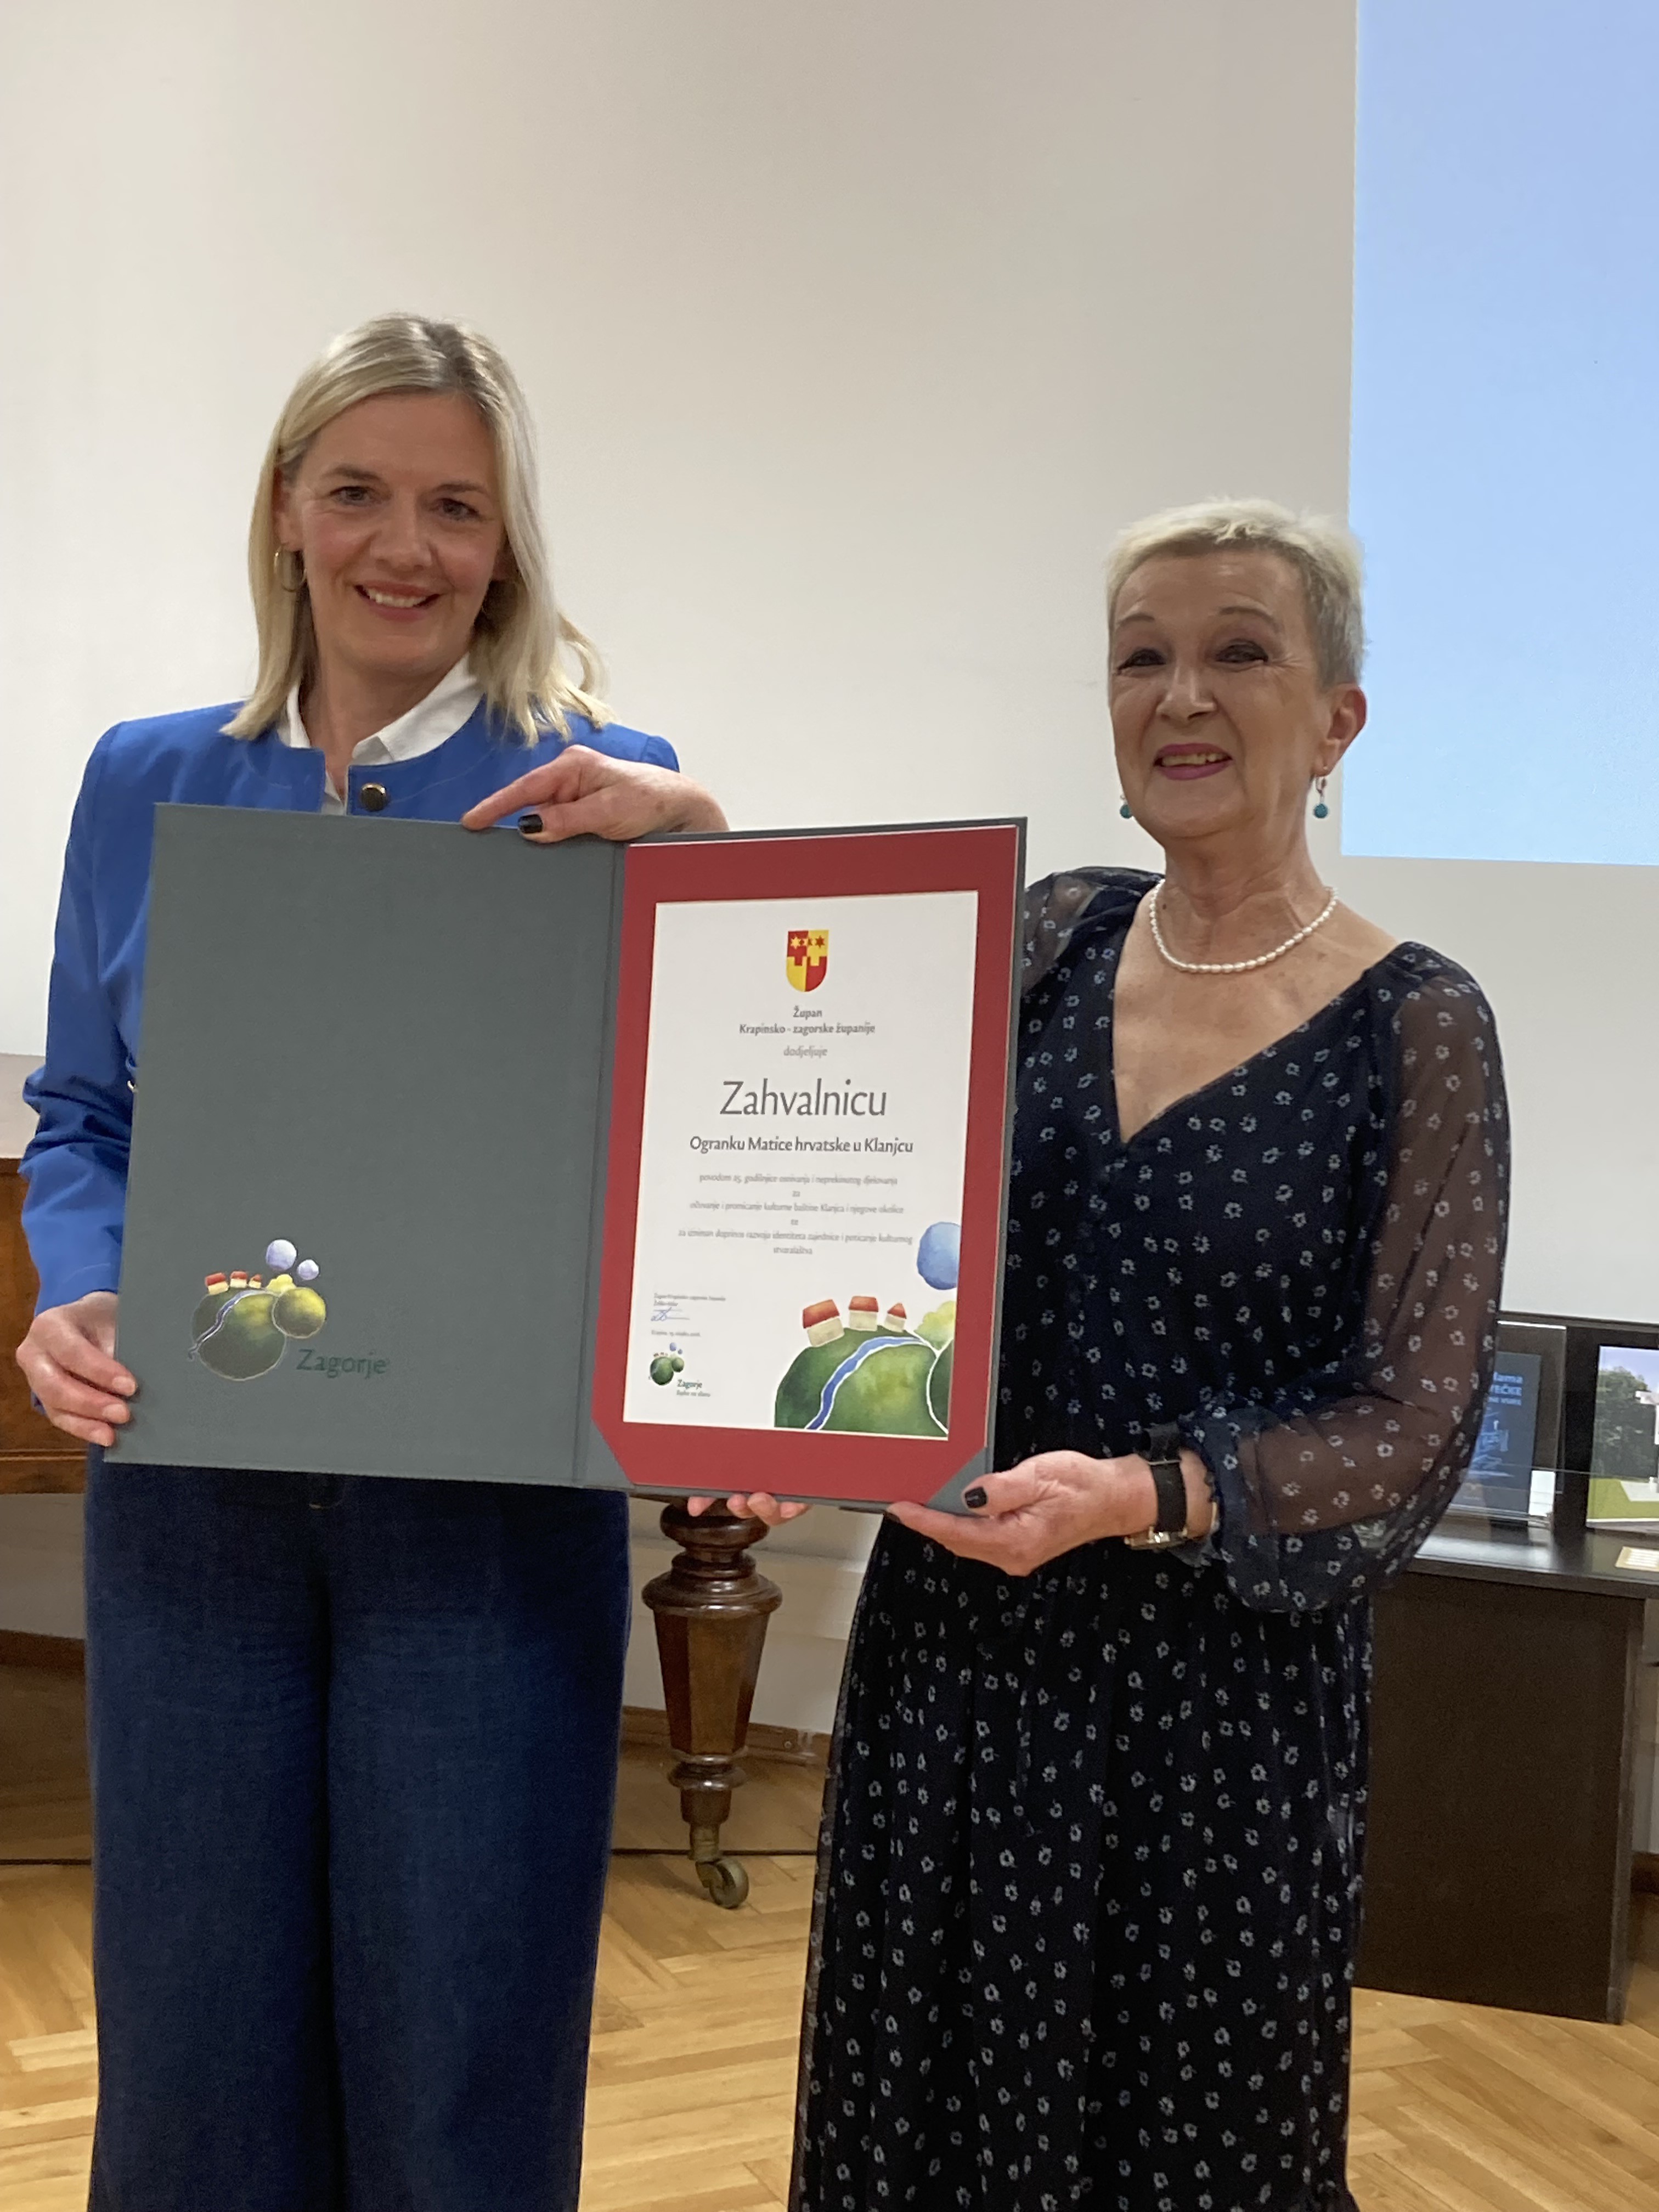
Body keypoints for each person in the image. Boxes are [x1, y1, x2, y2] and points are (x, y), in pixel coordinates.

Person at [14, 313, 726, 2212]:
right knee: (196, 2051)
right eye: (357, 493)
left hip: (486, 1514)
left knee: (461, 2054)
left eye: (455, 507)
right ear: (283, 510)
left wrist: (712, 848)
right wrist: (77, 1287)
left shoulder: (608, 782)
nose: (404, 547)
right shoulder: (143, 775)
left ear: (506, 542)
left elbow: (717, 1107)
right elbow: (79, 1113)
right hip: (193, 1500)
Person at [725, 500, 1509, 2210]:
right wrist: (795, 1418)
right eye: (1142, 657)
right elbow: (842, 1153)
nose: (1182, 696)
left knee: (1186, 2139)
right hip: (962, 1647)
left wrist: (1149, 1493)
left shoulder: (1420, 1022)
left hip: (1217, 1706)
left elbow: (1416, 1418)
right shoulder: (1051, 934)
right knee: (923, 2118)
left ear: (1339, 720)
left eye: (1241, 652)